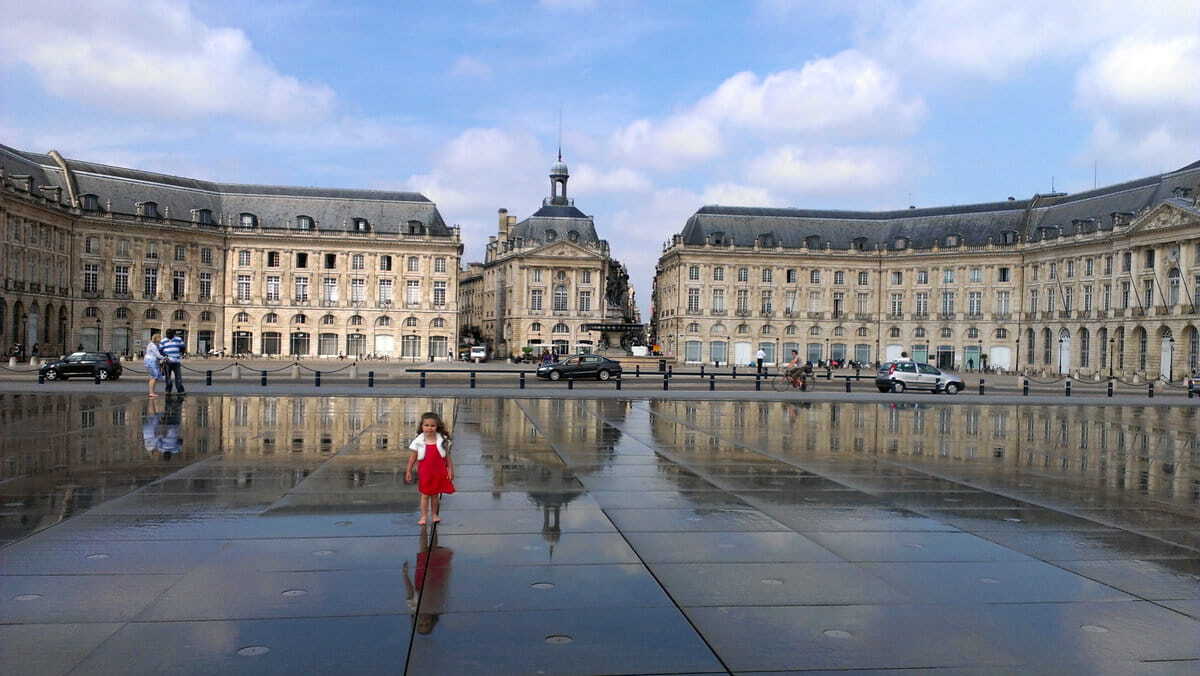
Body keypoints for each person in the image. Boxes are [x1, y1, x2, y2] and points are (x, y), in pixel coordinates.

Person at [405, 411, 456, 526]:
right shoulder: (418, 442)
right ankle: (423, 516)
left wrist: (450, 470)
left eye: (432, 425)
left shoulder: (442, 441)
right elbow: (412, 458)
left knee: (435, 496)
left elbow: (448, 458)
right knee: (425, 495)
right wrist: (408, 471)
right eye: (426, 425)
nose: (429, 428)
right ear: (421, 426)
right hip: (425, 473)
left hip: (438, 472)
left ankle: (434, 514)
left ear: (437, 427)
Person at [402, 525, 453, 635]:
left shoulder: (414, 608)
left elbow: (410, 591)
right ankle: (434, 527)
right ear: (432, 622)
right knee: (433, 550)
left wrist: (405, 575)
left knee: (423, 550)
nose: (424, 622)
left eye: (421, 624)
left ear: (416, 622)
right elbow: (443, 590)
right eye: (426, 624)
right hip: (434, 578)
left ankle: (423, 526)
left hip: (421, 579)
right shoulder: (436, 608)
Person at [160, 329, 186, 394]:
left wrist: (181, 354)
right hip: (167, 362)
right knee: (168, 377)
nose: (169, 335)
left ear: (173, 334)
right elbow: (160, 350)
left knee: (178, 376)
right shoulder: (163, 341)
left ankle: (180, 390)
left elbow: (183, 347)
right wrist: (165, 356)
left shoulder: (179, 339)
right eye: (167, 334)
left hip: (176, 361)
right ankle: (168, 390)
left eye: (170, 334)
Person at [144, 330, 164, 398]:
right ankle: (151, 392)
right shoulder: (153, 346)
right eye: (160, 340)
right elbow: (157, 355)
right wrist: (164, 358)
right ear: (157, 339)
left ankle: (152, 392)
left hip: (151, 361)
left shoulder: (152, 344)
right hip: (151, 362)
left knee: (153, 377)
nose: (160, 341)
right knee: (154, 377)